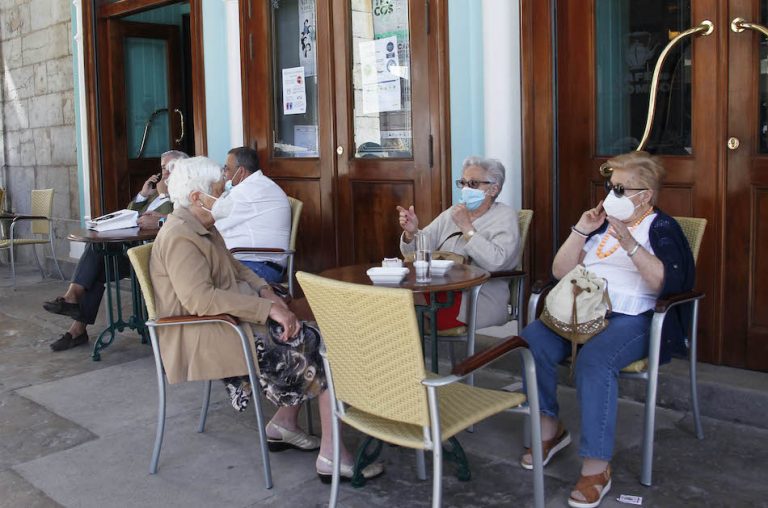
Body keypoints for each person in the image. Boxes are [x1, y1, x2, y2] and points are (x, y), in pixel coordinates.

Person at [151, 156, 383, 482]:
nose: (226, 195)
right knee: (323, 345)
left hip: (231, 321)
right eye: (220, 190)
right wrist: (268, 310)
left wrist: (267, 293)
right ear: (195, 197)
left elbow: (238, 267)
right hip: (208, 332)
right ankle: (332, 456)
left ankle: (283, 424)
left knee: (309, 332)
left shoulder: (202, 225)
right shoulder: (179, 236)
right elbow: (200, 300)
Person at [519, 151, 694, 508]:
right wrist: (581, 229)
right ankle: (551, 429)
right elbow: (559, 271)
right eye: (609, 185)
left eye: (620, 188)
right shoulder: (599, 224)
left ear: (644, 195)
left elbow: (667, 283)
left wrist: (630, 243)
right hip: (582, 310)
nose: (610, 194)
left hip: (635, 317)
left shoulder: (661, 227)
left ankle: (596, 467)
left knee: (595, 363)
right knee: (532, 339)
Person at [43, 150, 189, 351]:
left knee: (94, 263)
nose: (165, 173)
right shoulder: (154, 195)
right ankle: (76, 324)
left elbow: (183, 220)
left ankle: (74, 308)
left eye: (170, 168)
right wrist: (143, 194)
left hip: (152, 256)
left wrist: (163, 215)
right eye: (163, 168)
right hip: (131, 252)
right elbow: (130, 213)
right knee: (94, 262)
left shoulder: (185, 195)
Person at [397, 156, 521, 329]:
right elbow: (419, 250)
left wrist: (466, 227)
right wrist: (413, 232)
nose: (465, 189)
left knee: (405, 313)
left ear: (493, 189)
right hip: (437, 291)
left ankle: (416, 354)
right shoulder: (452, 213)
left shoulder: (505, 216)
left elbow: (497, 262)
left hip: (475, 297)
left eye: (473, 184)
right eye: (462, 183)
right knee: (394, 301)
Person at [214, 146, 291, 284]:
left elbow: (214, 220)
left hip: (262, 267)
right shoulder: (257, 185)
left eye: (227, 169)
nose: (224, 174)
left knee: (205, 276)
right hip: (255, 261)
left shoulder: (248, 191)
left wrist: (214, 192)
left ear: (241, 171)